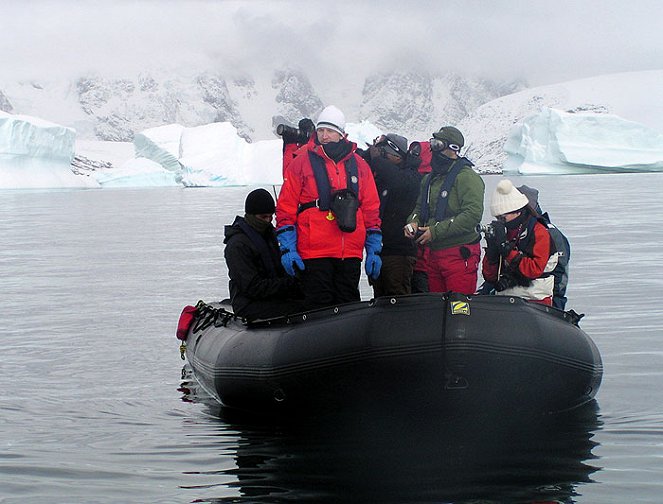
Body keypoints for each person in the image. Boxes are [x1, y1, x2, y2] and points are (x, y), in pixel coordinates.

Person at [275, 105, 382, 309]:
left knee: (348, 304)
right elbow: (285, 207)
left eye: (330, 131)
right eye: (321, 130)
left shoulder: (360, 165)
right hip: (314, 252)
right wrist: (287, 247)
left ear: (342, 134)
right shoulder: (301, 163)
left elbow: (370, 208)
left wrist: (374, 249)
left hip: (349, 251)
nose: (324, 135)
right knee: (318, 307)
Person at [404, 126, 484, 295]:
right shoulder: (429, 178)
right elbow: (419, 208)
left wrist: (435, 231)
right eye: (433, 143)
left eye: (438, 144)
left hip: (459, 254)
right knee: (437, 306)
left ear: (453, 148)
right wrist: (413, 222)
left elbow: (472, 215)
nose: (433, 149)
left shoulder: (467, 177)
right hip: (434, 254)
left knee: (459, 308)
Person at [223, 188, 304, 320]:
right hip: (249, 304)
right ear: (250, 215)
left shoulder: (273, 236)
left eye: (270, 216)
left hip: (275, 296)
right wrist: (291, 284)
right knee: (303, 309)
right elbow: (252, 287)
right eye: (263, 217)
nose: (267, 221)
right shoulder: (237, 245)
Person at [359, 133, 421, 297]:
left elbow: (398, 182)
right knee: (380, 300)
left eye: (384, 153)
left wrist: (377, 160)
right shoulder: (381, 177)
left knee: (398, 300)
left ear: (397, 155)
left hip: (399, 252)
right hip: (379, 251)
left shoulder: (412, 175)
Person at [481, 179, 559, 306]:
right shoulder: (504, 232)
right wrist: (492, 251)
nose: (501, 221)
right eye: (497, 218)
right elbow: (490, 277)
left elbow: (533, 270)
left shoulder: (539, 232)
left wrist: (506, 249)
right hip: (505, 300)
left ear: (517, 210)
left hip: (534, 302)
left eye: (502, 217)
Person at [517, 185, 571, 310]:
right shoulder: (512, 231)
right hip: (519, 298)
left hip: (543, 300)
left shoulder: (550, 235)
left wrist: (556, 305)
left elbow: (560, 273)